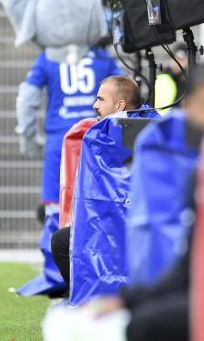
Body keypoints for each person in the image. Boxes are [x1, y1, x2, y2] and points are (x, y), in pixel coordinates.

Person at [90, 65, 204, 341]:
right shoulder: (194, 176)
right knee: (141, 320)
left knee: (145, 325)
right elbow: (188, 266)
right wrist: (128, 301)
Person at [16, 46, 124, 296]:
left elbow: (28, 97)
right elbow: (126, 86)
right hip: (103, 135)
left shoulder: (48, 57)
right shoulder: (103, 58)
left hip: (62, 140)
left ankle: (57, 275)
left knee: (58, 205)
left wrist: (29, 135)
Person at [50, 75, 145, 290]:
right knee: (62, 240)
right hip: (120, 225)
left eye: (101, 99)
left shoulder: (115, 136)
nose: (95, 105)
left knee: (62, 243)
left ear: (120, 105)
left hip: (130, 228)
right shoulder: (147, 127)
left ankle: (88, 302)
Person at [155, 42, 188, 115]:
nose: (176, 62)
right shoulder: (163, 78)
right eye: (174, 58)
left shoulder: (193, 81)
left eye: (180, 59)